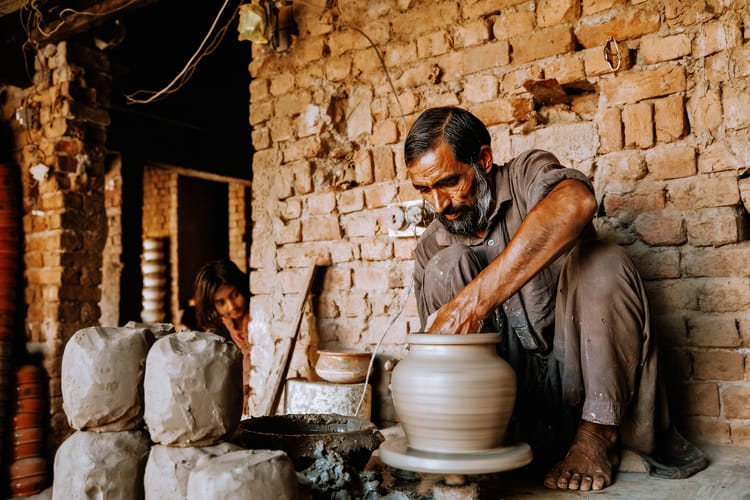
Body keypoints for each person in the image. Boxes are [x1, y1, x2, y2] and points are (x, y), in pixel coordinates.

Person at [404, 106, 706, 491]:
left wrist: (472, 303)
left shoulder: (526, 173)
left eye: (448, 182)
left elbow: (576, 202)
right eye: (423, 190)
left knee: (603, 260)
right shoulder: (432, 243)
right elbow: (434, 364)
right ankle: (480, 443)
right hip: (503, 410)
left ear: (483, 158)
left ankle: (596, 438)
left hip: (585, 380)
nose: (439, 204)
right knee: (447, 265)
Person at [193, 259, 251, 354]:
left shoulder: (261, 317)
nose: (232, 306)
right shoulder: (219, 334)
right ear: (212, 306)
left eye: (235, 295)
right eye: (221, 303)